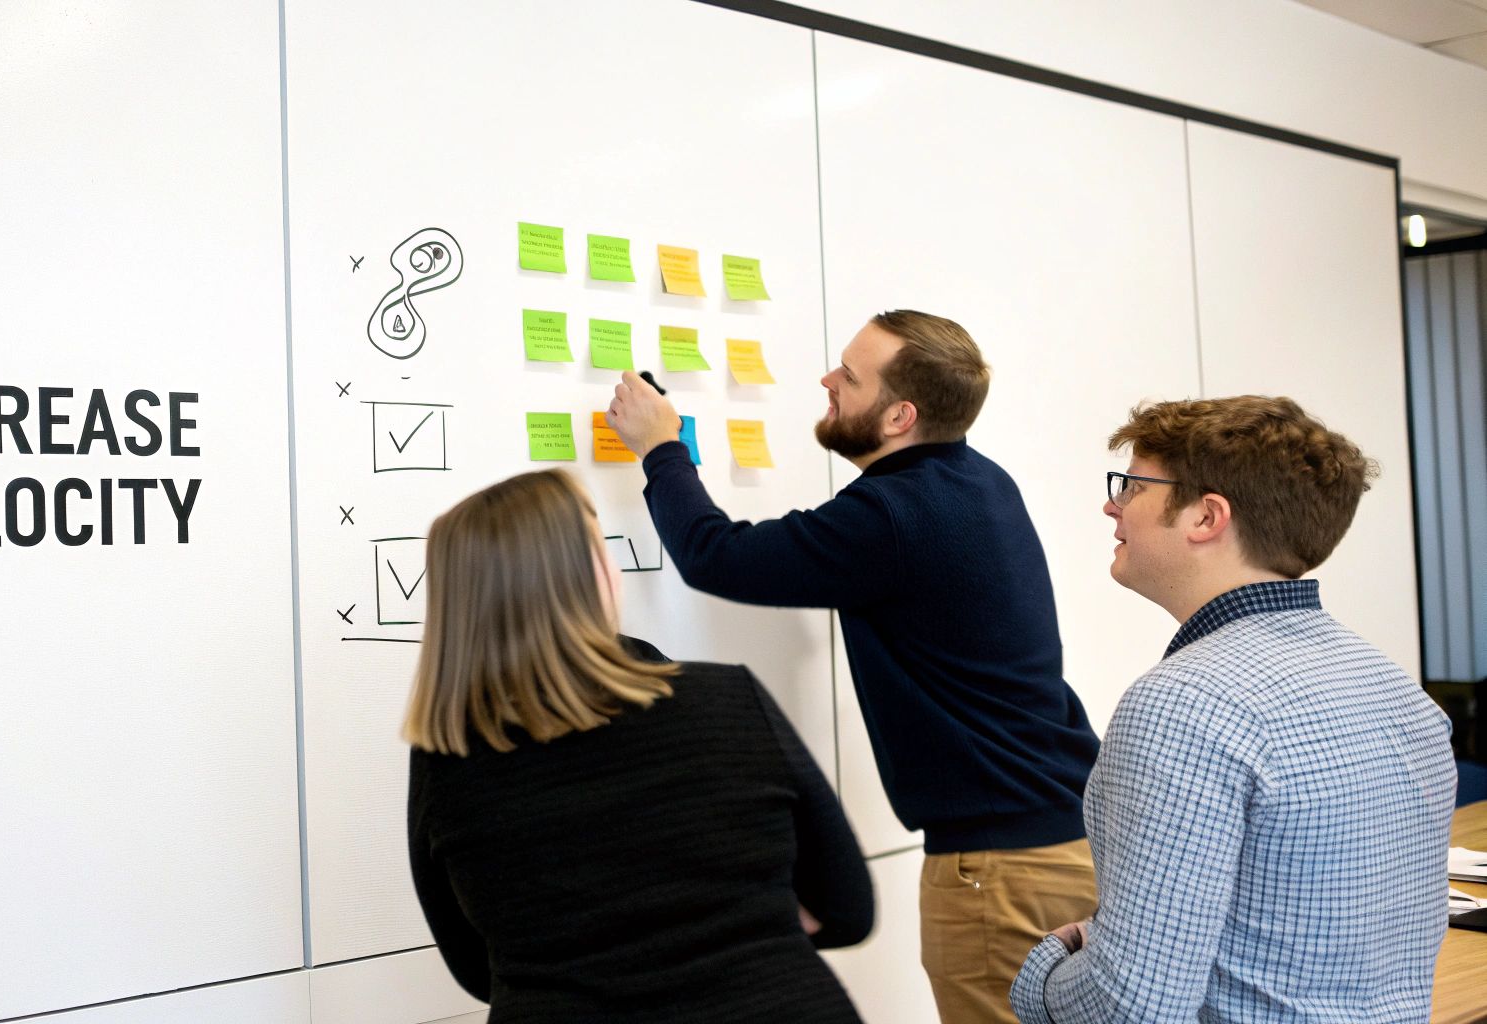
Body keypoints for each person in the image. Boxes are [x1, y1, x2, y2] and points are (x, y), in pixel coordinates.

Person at [607, 310, 1101, 1023]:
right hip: (1071, 842)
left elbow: (715, 555)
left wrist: (661, 447)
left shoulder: (890, 515)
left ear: (900, 416)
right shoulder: (983, 482)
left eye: (848, 374)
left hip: (999, 871)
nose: (826, 380)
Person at [1009, 396, 1457, 1023]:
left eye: (1132, 487)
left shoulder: (1182, 706)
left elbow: (1131, 1009)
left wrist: (1042, 973)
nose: (1113, 506)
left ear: (1206, 516)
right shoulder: (1398, 693)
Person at [403, 469, 874, 1023]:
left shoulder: (448, 759)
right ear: (590, 572)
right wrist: (751, 919)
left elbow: (476, 969)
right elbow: (846, 909)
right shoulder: (727, 698)